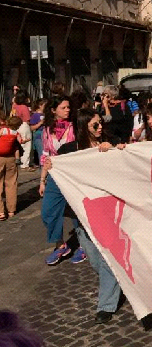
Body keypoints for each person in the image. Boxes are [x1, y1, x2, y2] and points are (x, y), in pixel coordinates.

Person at [43, 108, 125, 323]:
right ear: (83, 126)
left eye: (101, 123)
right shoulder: (70, 150)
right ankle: (118, 281)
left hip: (107, 211)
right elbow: (56, 169)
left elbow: (125, 161)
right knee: (96, 260)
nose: (100, 128)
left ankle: (105, 306)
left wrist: (115, 149)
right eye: (95, 125)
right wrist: (50, 167)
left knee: (108, 259)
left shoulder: (111, 141)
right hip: (82, 214)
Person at [39, 96, 82, 265]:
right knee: (48, 211)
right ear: (53, 110)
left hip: (74, 175)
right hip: (55, 174)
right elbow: (46, 155)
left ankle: (84, 245)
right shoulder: (47, 130)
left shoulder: (75, 127)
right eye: (63, 107)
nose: (67, 110)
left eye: (68, 107)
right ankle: (61, 245)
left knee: (77, 211)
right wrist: (42, 180)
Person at [0, 110, 20, 221]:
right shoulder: (13, 131)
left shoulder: (2, 130)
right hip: (11, 158)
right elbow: (18, 144)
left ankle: (1, 212)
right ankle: (11, 210)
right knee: (11, 183)